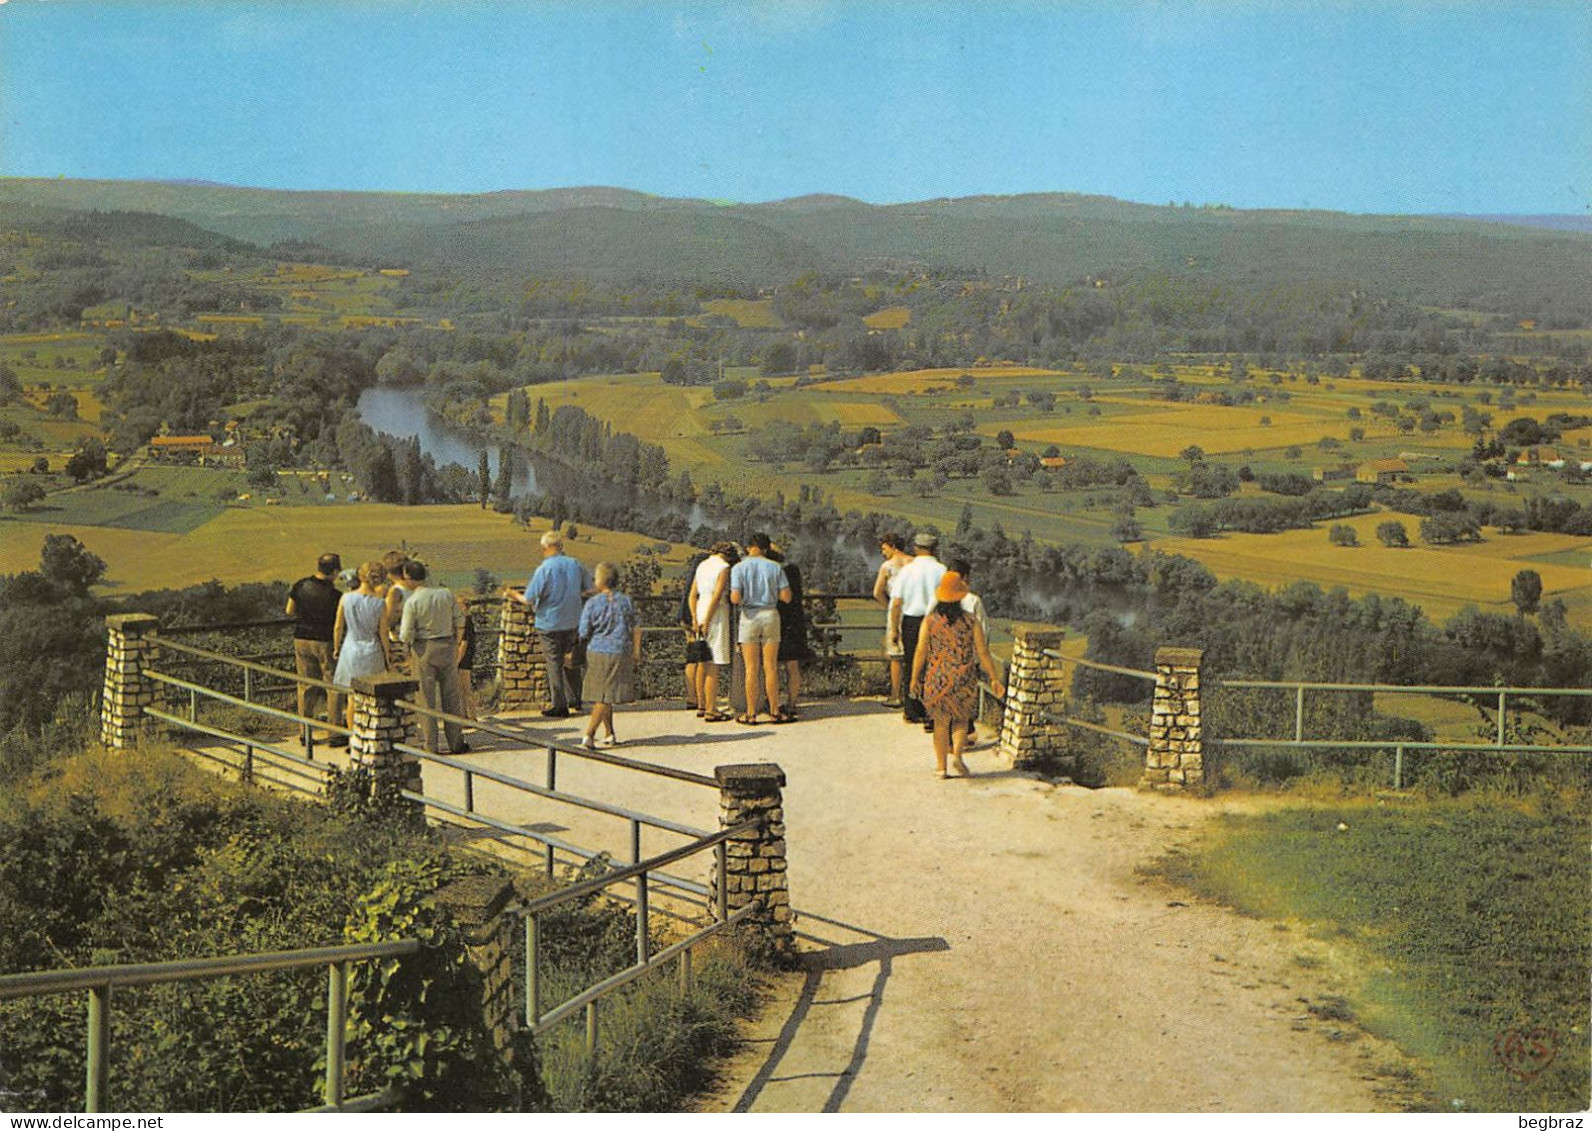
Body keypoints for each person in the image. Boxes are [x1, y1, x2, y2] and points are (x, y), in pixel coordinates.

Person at [910, 572, 1005, 779]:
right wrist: (994, 678)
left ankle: (941, 768)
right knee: (961, 720)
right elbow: (983, 652)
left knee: (940, 723)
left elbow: (920, 651)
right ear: (960, 597)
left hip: (937, 678)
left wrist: (914, 678)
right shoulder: (971, 622)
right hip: (963, 678)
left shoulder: (929, 621)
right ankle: (958, 756)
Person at [397, 560, 469, 755]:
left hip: (423, 649)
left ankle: (430, 745)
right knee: (451, 697)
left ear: (409, 578)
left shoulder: (412, 601)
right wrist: (455, 643)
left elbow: (405, 634)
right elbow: (460, 620)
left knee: (426, 699)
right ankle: (456, 741)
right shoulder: (445, 593)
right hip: (447, 645)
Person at [520, 529, 590, 718]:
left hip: (549, 621)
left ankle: (559, 705)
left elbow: (529, 597)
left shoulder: (545, 568)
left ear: (547, 547)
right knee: (571, 659)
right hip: (573, 619)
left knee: (554, 663)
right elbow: (589, 587)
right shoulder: (575, 564)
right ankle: (576, 699)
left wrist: (512, 594)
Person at [729, 532, 792, 724]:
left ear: (749, 547)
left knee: (751, 669)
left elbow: (735, 598)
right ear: (766, 549)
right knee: (771, 667)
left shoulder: (739, 568)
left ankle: (751, 713)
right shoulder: (775, 567)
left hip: (749, 616)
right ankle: (774, 710)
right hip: (770, 615)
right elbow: (787, 597)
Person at [578, 562, 642, 749]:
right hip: (620, 650)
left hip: (598, 651)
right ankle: (609, 733)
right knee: (608, 693)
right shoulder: (626, 601)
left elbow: (583, 631)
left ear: (600, 580)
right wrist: (637, 651)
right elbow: (637, 626)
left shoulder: (592, 603)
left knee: (602, 696)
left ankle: (589, 734)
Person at [286, 552, 346, 746]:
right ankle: (334, 732)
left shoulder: (300, 586)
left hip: (302, 638)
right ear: (335, 571)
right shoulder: (335, 595)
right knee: (332, 686)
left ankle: (305, 731)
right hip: (325, 641)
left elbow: (289, 610)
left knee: (305, 685)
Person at [891, 531, 947, 727]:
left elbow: (897, 602)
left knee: (911, 664)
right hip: (935, 621)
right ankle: (931, 713)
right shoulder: (942, 570)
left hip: (912, 621)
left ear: (916, 548)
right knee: (934, 666)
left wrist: (894, 629)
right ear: (934, 549)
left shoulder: (907, 570)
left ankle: (912, 709)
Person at [332, 561, 391, 734]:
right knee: (372, 697)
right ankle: (371, 733)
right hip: (372, 650)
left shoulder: (346, 598)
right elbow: (383, 632)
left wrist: (336, 647)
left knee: (352, 698)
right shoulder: (380, 603)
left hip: (350, 648)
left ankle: (353, 735)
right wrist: (388, 656)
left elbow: (338, 626)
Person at [689, 542, 737, 722]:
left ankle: (701, 704)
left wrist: (696, 618)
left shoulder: (702, 565)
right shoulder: (723, 568)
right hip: (715, 615)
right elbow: (717, 596)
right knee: (713, 663)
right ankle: (711, 709)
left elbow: (692, 594)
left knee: (702, 661)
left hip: (700, 610)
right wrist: (708, 620)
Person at [768, 545, 809, 719]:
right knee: (792, 666)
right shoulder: (793, 571)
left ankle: (773, 703)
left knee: (772, 666)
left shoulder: (773, 573)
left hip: (777, 621)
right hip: (795, 622)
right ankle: (792, 703)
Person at [872, 533, 912, 708]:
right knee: (915, 654)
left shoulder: (887, 566)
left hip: (896, 611)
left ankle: (896, 696)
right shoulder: (913, 563)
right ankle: (914, 695)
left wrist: (888, 606)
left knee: (895, 656)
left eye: (884, 548)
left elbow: (877, 592)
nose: (883, 552)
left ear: (892, 546)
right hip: (915, 610)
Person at [678, 547, 710, 711]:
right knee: (701, 658)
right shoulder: (704, 575)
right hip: (695, 617)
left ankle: (692, 698)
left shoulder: (692, 576)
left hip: (686, 617)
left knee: (692, 658)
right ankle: (701, 699)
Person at [456, 593, 478, 720]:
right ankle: (464, 715)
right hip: (464, 656)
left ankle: (473, 716)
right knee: (461, 688)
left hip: (464, 657)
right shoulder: (466, 620)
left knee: (466, 688)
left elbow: (464, 643)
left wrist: (457, 660)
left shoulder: (466, 621)